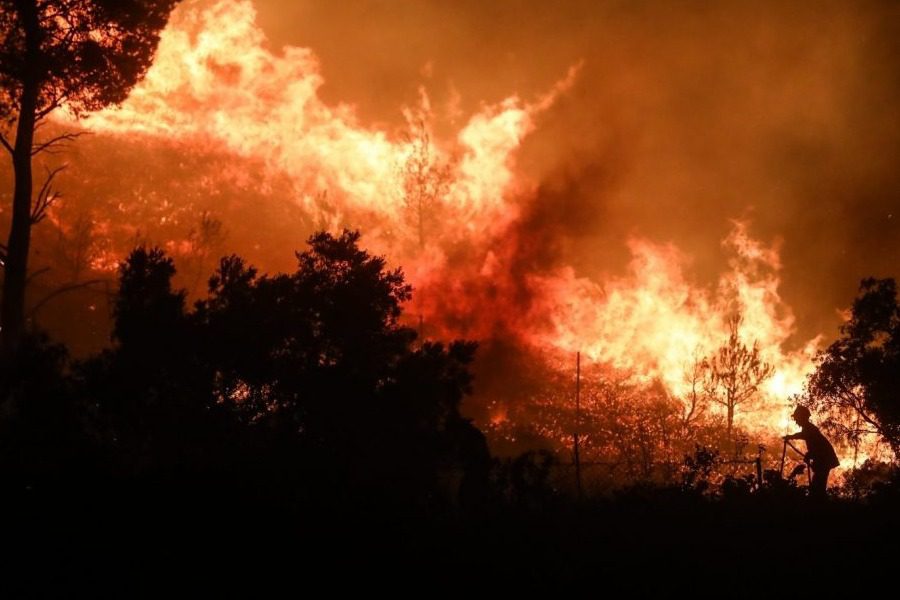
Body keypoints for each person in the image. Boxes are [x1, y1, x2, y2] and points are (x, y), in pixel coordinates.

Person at [783, 406, 840, 498]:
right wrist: (810, 455)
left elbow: (815, 445)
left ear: (802, 417)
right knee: (818, 483)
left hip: (825, 459)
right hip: (824, 458)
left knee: (818, 485)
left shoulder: (809, 429)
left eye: (797, 418)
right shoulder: (808, 428)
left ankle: (819, 505)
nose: (796, 421)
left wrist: (790, 437)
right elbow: (813, 445)